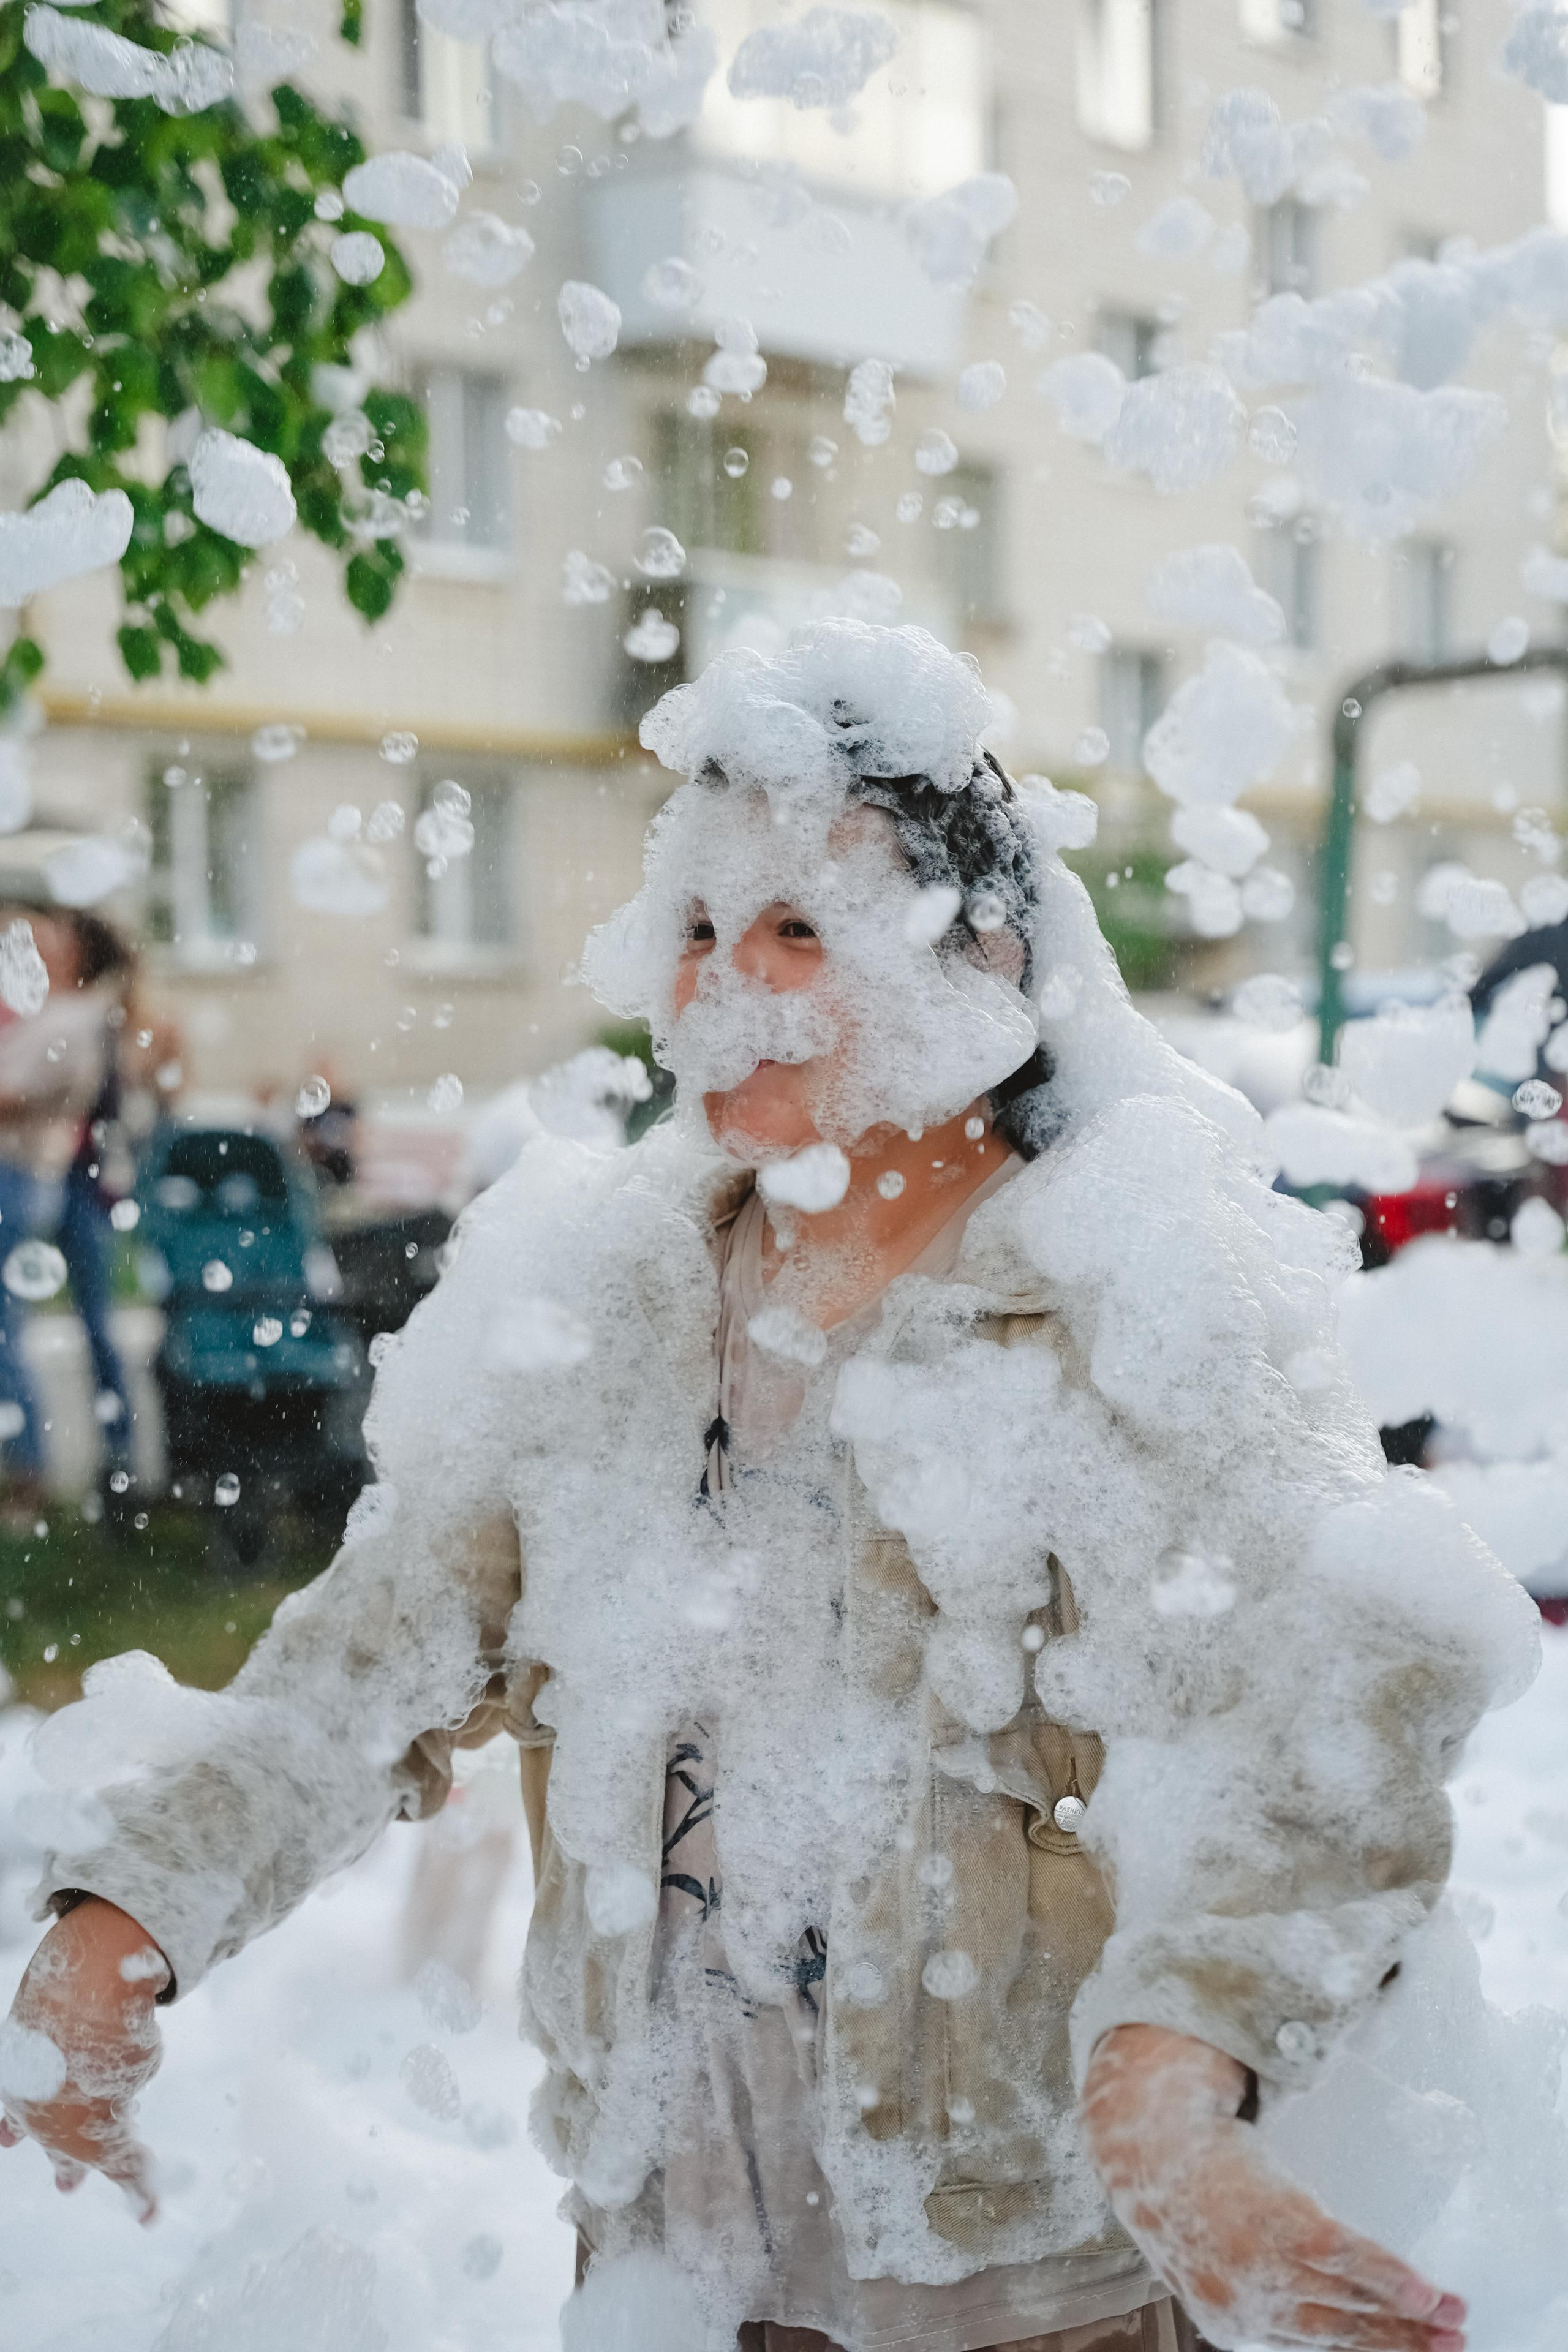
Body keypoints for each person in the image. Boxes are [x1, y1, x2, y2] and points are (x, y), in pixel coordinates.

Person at [0, 624, 1538, 2352]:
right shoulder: (602, 1299)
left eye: (799, 930)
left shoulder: (1122, 1298)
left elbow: (1340, 1705)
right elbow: (367, 1660)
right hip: (670, 2250)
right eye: (700, 932)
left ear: (977, 959)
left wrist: (1174, 2086)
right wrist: (125, 1920)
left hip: (1016, 2281)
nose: (726, 987)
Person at [0, 904, 119, 1521]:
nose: (40, 949)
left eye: (56, 942)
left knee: (5, 1328)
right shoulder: (47, 1014)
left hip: (19, 1177)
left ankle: (29, 1477)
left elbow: (11, 1097)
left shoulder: (73, 1021)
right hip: (25, 1176)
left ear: (78, 956)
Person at [52, 912, 138, 1476]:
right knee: (94, 1319)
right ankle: (119, 1452)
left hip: (77, 1180)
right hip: (73, 1179)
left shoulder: (87, 1020)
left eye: (62, 941)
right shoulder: (82, 1015)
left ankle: (120, 1455)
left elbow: (93, 1106)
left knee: (96, 1320)